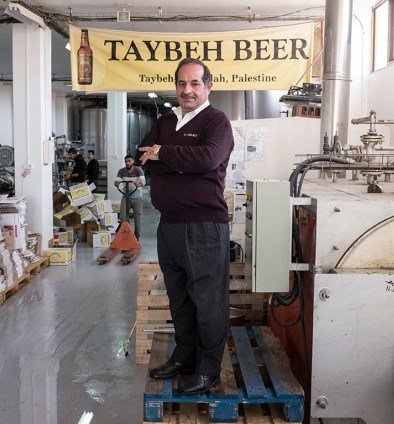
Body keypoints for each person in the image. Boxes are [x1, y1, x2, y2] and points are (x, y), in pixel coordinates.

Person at [137, 58, 234, 395]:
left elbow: (208, 159)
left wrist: (163, 153)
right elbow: (141, 156)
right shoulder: (165, 120)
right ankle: (184, 356)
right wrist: (179, 161)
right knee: (179, 298)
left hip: (203, 226)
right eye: (182, 83)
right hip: (169, 225)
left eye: (194, 83)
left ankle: (208, 369)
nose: (187, 90)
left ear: (208, 86)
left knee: (207, 302)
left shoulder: (216, 122)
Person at [114, 155, 145, 239]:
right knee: (123, 217)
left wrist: (139, 184)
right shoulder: (121, 171)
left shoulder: (138, 170)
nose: (127, 163)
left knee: (137, 219)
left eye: (129, 161)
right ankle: (126, 236)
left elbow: (143, 181)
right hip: (126, 196)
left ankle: (136, 237)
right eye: (126, 161)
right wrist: (116, 182)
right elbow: (117, 179)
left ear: (133, 161)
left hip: (137, 197)